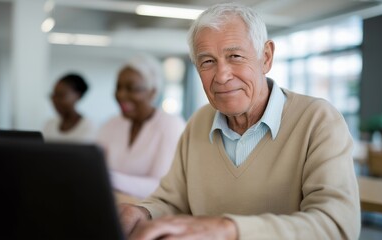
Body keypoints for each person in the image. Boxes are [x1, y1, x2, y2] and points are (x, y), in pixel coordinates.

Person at [119, 3, 360, 240]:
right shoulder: (198, 123)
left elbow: (336, 225)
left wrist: (229, 230)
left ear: (265, 57)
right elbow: (171, 201)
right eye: (208, 62)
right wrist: (143, 213)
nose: (222, 76)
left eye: (235, 56)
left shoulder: (318, 120)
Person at [96, 54, 186, 199]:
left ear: (153, 92)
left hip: (152, 213)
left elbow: (163, 186)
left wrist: (107, 177)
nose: (121, 95)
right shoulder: (110, 124)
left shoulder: (170, 125)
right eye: (118, 87)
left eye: (132, 88)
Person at [43, 73, 97, 142]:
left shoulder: (89, 128)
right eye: (53, 95)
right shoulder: (49, 124)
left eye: (60, 95)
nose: (55, 100)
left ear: (78, 96)